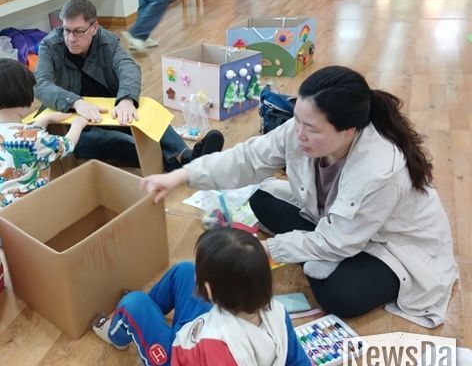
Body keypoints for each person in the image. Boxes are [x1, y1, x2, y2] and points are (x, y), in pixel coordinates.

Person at [141, 65, 458, 328]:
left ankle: (322, 256)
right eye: (298, 120)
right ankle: (314, 249)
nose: (299, 134)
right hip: (339, 224)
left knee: (339, 295)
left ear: (348, 130)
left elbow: (340, 241)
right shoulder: (301, 129)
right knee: (261, 199)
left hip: (392, 245)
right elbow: (247, 159)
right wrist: (181, 176)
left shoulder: (379, 169)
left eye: (312, 128)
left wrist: (267, 250)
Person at [91, 227, 323, 366]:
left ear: (210, 291)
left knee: (133, 303)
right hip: (206, 330)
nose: (197, 275)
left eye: (201, 275)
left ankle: (118, 334)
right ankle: (147, 313)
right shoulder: (278, 314)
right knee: (184, 270)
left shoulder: (217, 347)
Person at [35, 0, 224, 172]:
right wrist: (75, 102)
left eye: (78, 31)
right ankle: (181, 164)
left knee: (149, 114)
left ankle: (185, 155)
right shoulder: (49, 45)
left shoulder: (107, 41)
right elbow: (41, 83)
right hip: (71, 125)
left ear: (94, 27)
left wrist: (126, 99)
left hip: (108, 113)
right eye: (66, 30)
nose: (70, 38)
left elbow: (128, 67)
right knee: (118, 142)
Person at [0, 58, 88, 211]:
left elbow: (23, 136)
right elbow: (66, 146)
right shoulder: (34, 139)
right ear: (22, 95)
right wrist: (78, 124)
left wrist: (45, 119)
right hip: (25, 208)